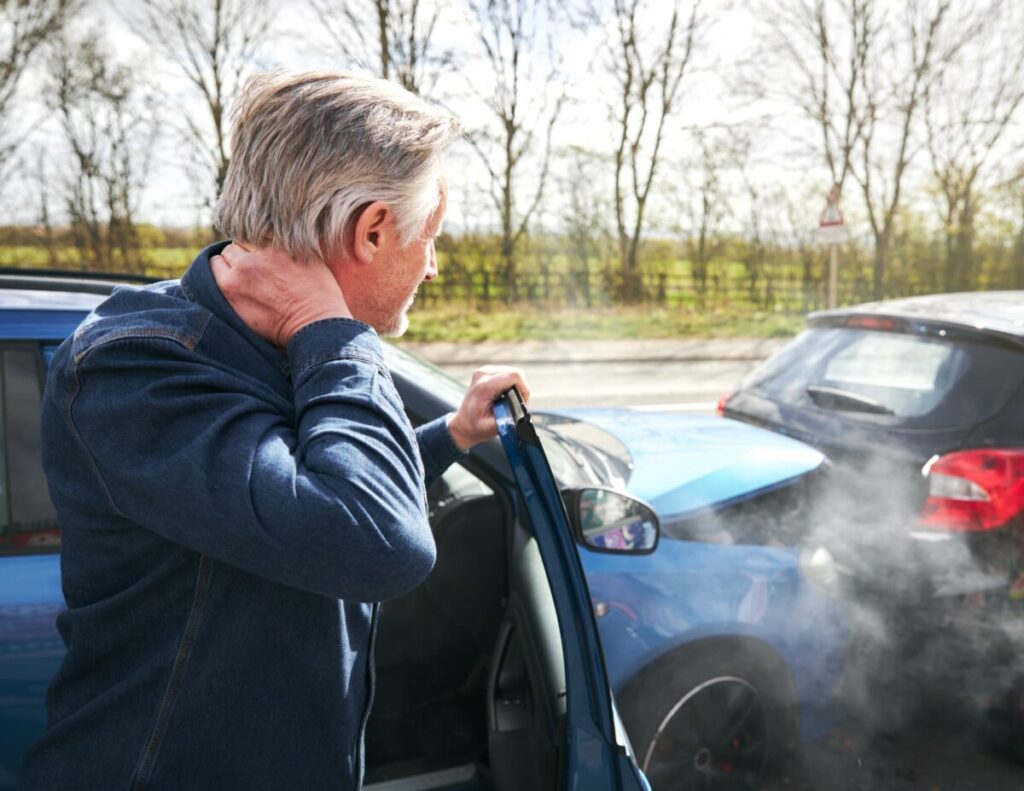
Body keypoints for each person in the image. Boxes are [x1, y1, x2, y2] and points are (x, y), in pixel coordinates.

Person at [19, 71, 529, 790]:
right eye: (431, 236)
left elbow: (300, 501)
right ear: (372, 229)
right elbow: (377, 543)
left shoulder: (285, 346)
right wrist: (333, 331)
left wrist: (450, 435)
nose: (435, 265)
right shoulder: (133, 369)